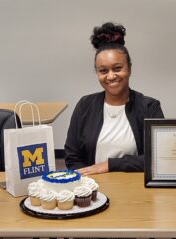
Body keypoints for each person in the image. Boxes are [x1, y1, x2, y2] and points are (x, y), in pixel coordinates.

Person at [65, 22, 164, 175]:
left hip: (134, 186)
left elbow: (159, 157)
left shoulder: (150, 107)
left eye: (117, 68)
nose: (111, 76)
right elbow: (72, 157)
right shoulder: (84, 105)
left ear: (129, 69)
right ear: (97, 73)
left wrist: (111, 164)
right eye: (103, 71)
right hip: (93, 187)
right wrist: (88, 183)